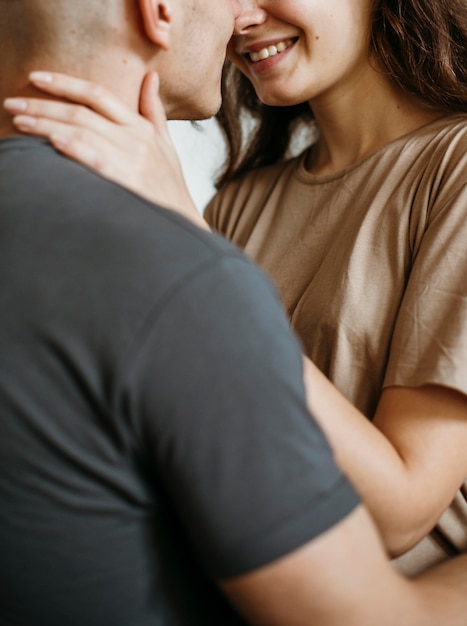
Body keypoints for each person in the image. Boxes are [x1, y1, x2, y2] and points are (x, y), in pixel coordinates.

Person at [7, 1, 467, 626]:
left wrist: (187, 235)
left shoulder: (455, 172)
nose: (240, 15)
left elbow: (402, 514)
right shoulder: (239, 204)